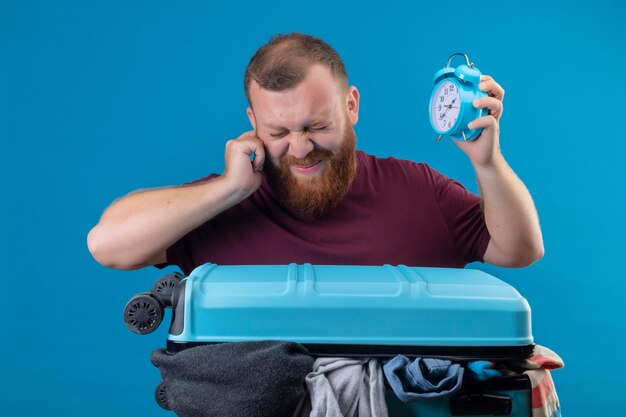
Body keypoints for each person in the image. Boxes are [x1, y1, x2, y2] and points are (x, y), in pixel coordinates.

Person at [87, 33, 544, 276]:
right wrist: (226, 191)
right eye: (278, 131)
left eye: (317, 126)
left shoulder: (417, 189)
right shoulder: (227, 202)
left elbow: (519, 250)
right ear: (252, 122)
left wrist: (487, 163)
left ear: (351, 106)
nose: (300, 148)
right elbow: (107, 246)